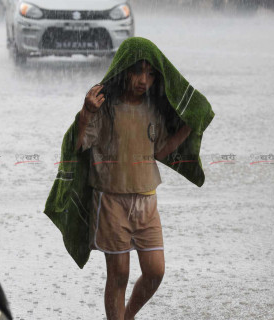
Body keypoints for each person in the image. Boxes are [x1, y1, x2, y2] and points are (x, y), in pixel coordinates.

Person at [75, 59, 192, 320]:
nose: (143, 80)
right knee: (119, 275)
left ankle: (127, 316)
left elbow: (159, 151)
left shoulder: (153, 108)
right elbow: (79, 144)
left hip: (147, 200)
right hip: (111, 199)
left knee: (155, 271)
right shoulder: (105, 108)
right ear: (123, 71)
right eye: (138, 72)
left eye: (150, 74)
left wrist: (187, 128)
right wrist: (86, 112)